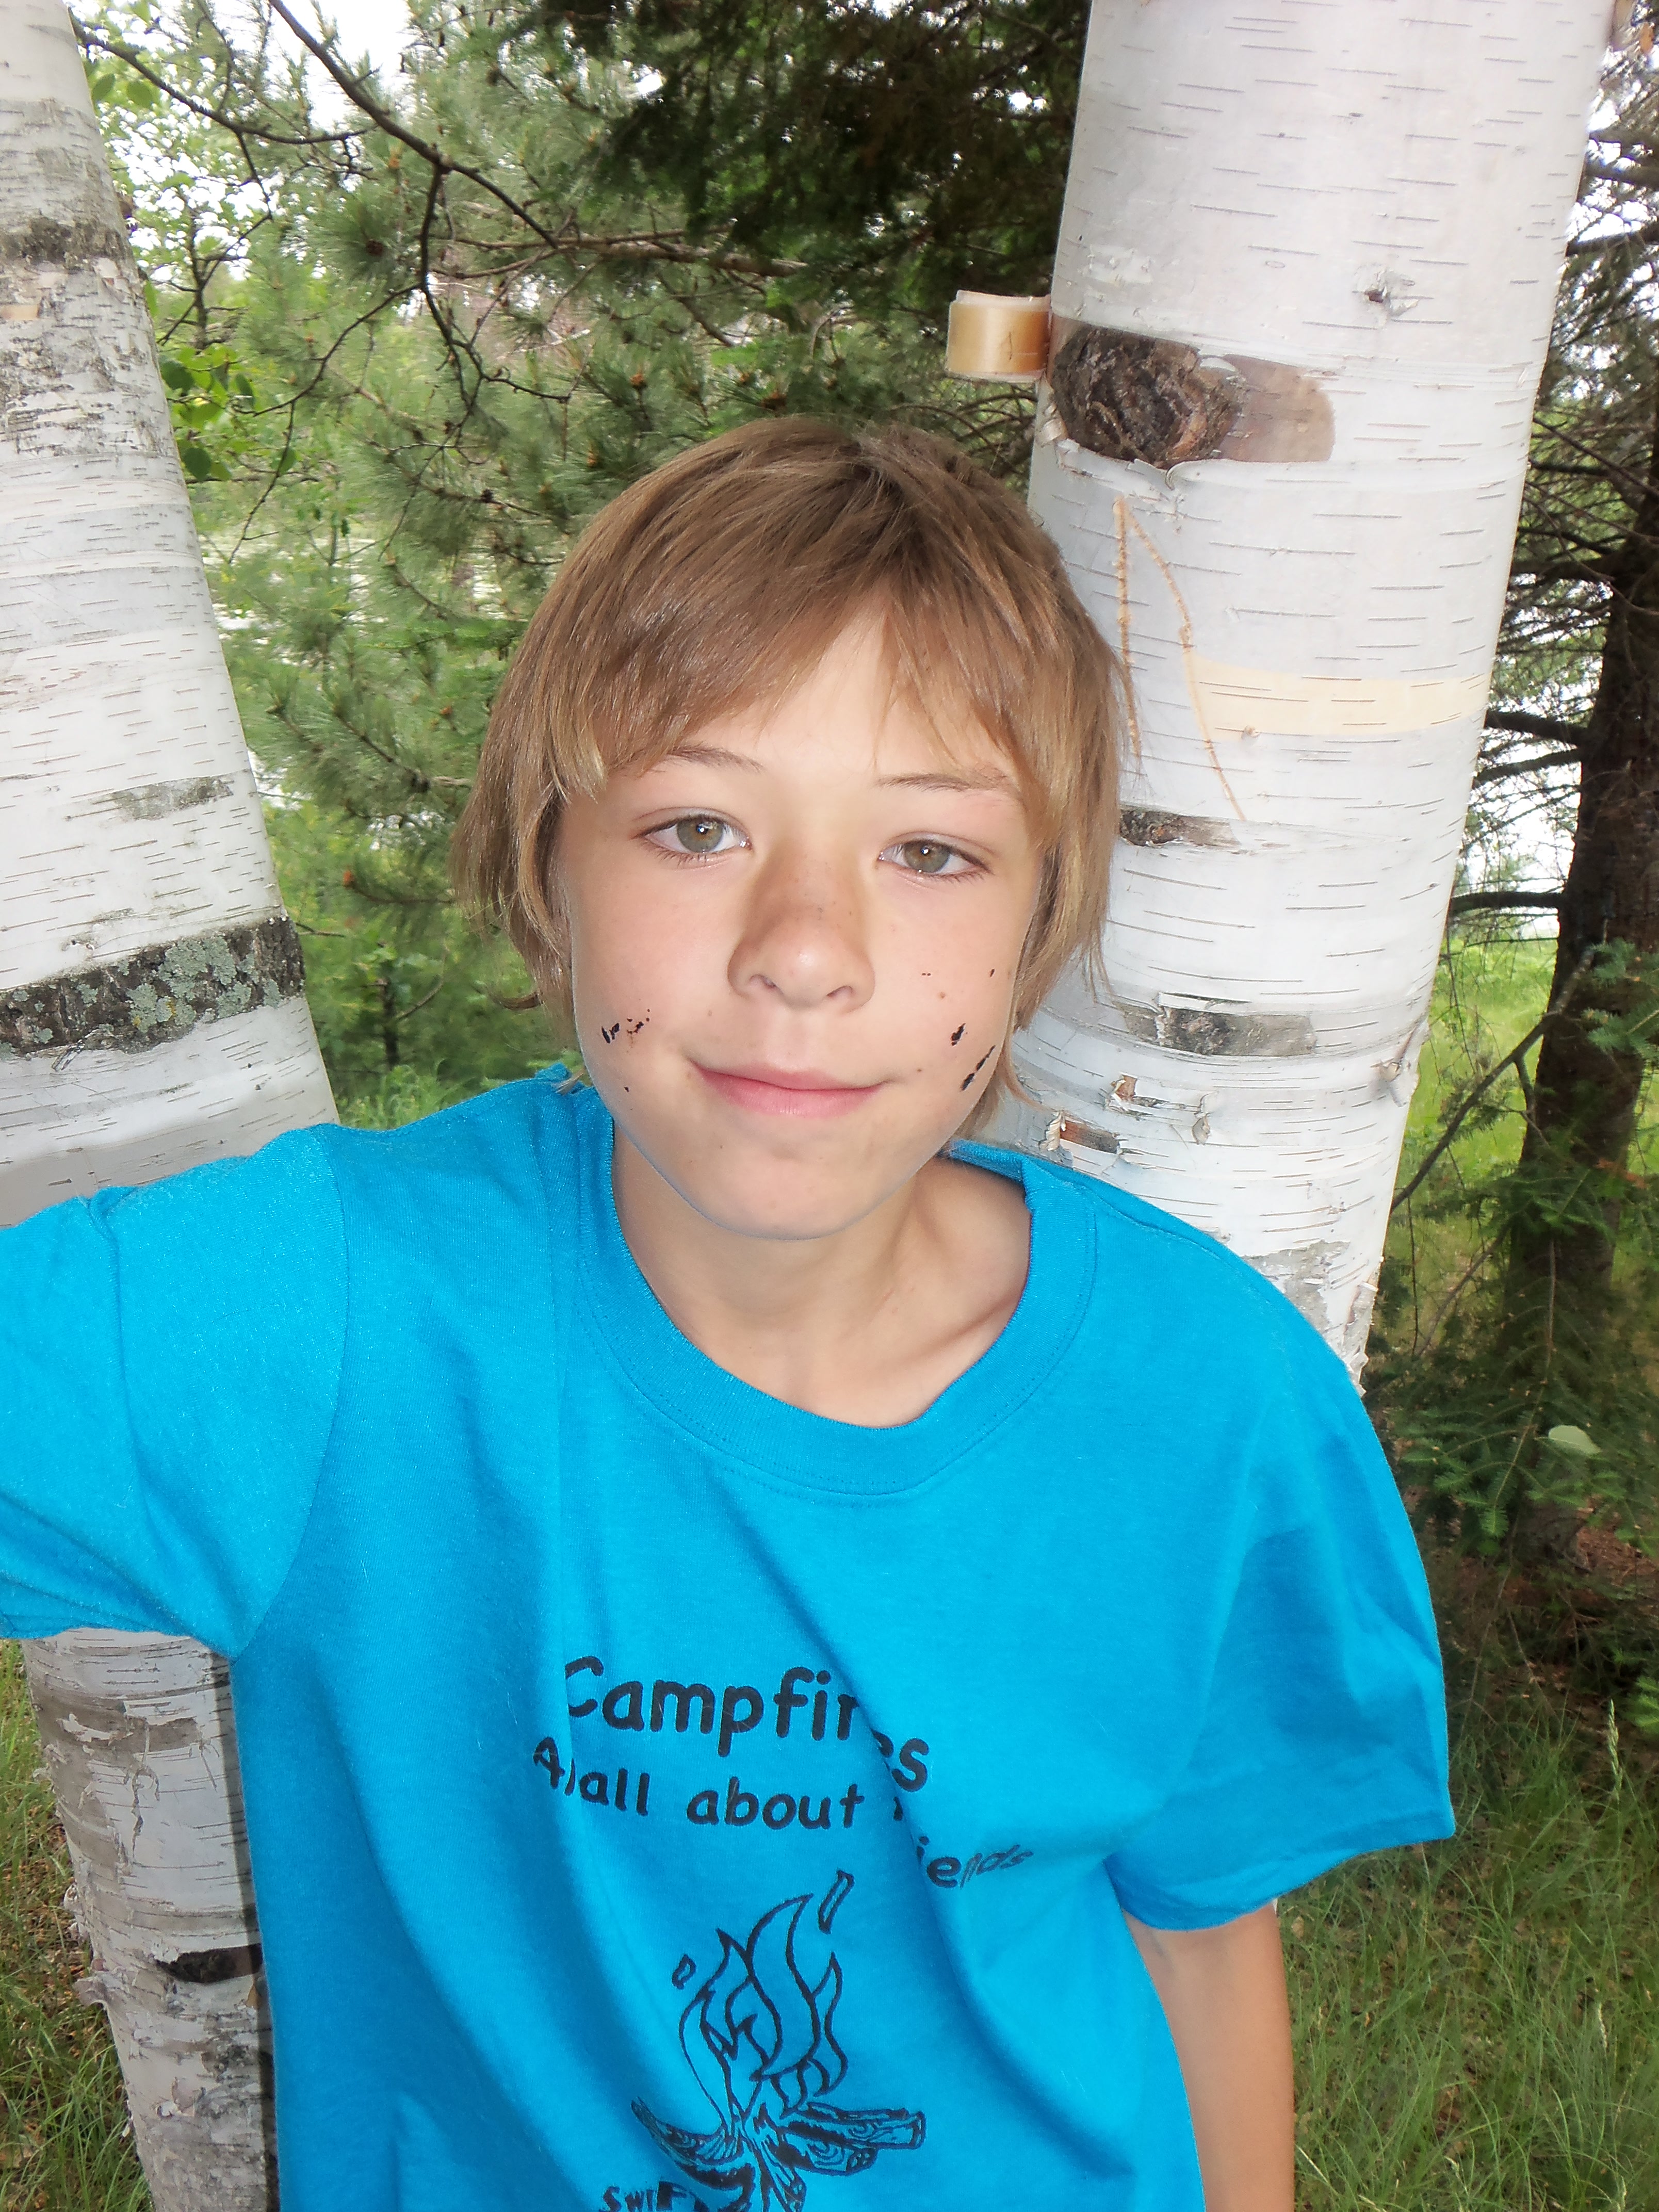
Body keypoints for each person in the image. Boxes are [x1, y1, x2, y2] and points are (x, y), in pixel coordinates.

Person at [0, 418, 1451, 2211]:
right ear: (551, 871)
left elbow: (1202, 1928)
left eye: (933, 852)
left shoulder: (1210, 1398)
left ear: (1038, 924)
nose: (806, 948)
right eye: (697, 828)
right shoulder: (334, 1314)